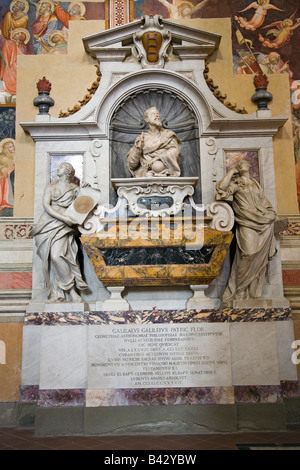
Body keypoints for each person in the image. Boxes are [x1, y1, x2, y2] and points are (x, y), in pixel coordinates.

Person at [216, 159, 277, 305]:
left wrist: (270, 215)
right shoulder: (237, 184)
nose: (241, 164)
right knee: (247, 254)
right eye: (238, 164)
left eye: (243, 163)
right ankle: (239, 289)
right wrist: (231, 172)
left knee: (259, 258)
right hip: (246, 222)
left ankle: (253, 290)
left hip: (263, 223)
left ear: (249, 167)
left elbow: (265, 203)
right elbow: (221, 189)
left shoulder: (256, 185)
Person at [30, 162, 88, 303]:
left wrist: (86, 191)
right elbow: (46, 205)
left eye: (61, 166)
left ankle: (72, 291)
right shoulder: (51, 187)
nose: (58, 168)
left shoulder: (74, 189)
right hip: (48, 223)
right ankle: (59, 292)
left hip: (64, 227)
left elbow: (83, 205)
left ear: (67, 171)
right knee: (52, 258)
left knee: (58, 256)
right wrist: (63, 218)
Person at [127, 107, 181, 177]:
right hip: (146, 171)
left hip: (165, 167)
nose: (157, 116)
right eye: (153, 114)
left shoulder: (168, 135)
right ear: (147, 119)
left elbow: (175, 151)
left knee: (157, 166)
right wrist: (138, 150)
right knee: (156, 166)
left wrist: (156, 158)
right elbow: (132, 165)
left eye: (157, 114)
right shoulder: (142, 139)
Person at [0, 27, 30, 102]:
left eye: (19, 34)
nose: (16, 34)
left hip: (16, 68)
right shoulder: (13, 44)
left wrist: (1, 35)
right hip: (12, 68)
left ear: (21, 38)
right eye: (16, 33)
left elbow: (5, 42)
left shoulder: (13, 44)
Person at [0, 139, 15, 210]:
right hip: (4, 177)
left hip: (11, 176)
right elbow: (4, 169)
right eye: (10, 147)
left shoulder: (14, 156)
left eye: (13, 146)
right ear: (6, 149)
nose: (13, 148)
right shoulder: (3, 157)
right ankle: (5, 199)